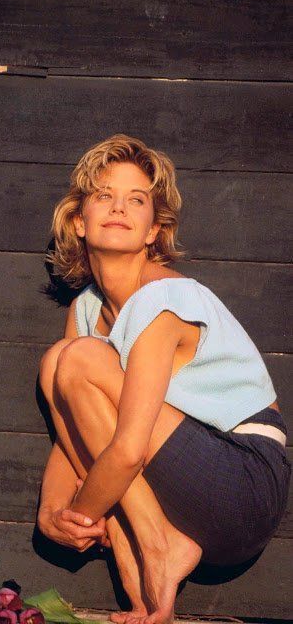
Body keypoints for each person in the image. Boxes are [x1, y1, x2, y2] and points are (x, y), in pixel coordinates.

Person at [37, 134, 291, 624]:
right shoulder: (85, 309)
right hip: (181, 487)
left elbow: (129, 449)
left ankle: (159, 548)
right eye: (104, 195)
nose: (119, 207)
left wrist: (84, 514)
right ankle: (149, 602)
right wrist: (52, 513)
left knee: (78, 363)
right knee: (61, 362)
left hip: (243, 480)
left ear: (154, 230)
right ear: (78, 220)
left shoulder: (164, 301)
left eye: (136, 200)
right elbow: (71, 427)